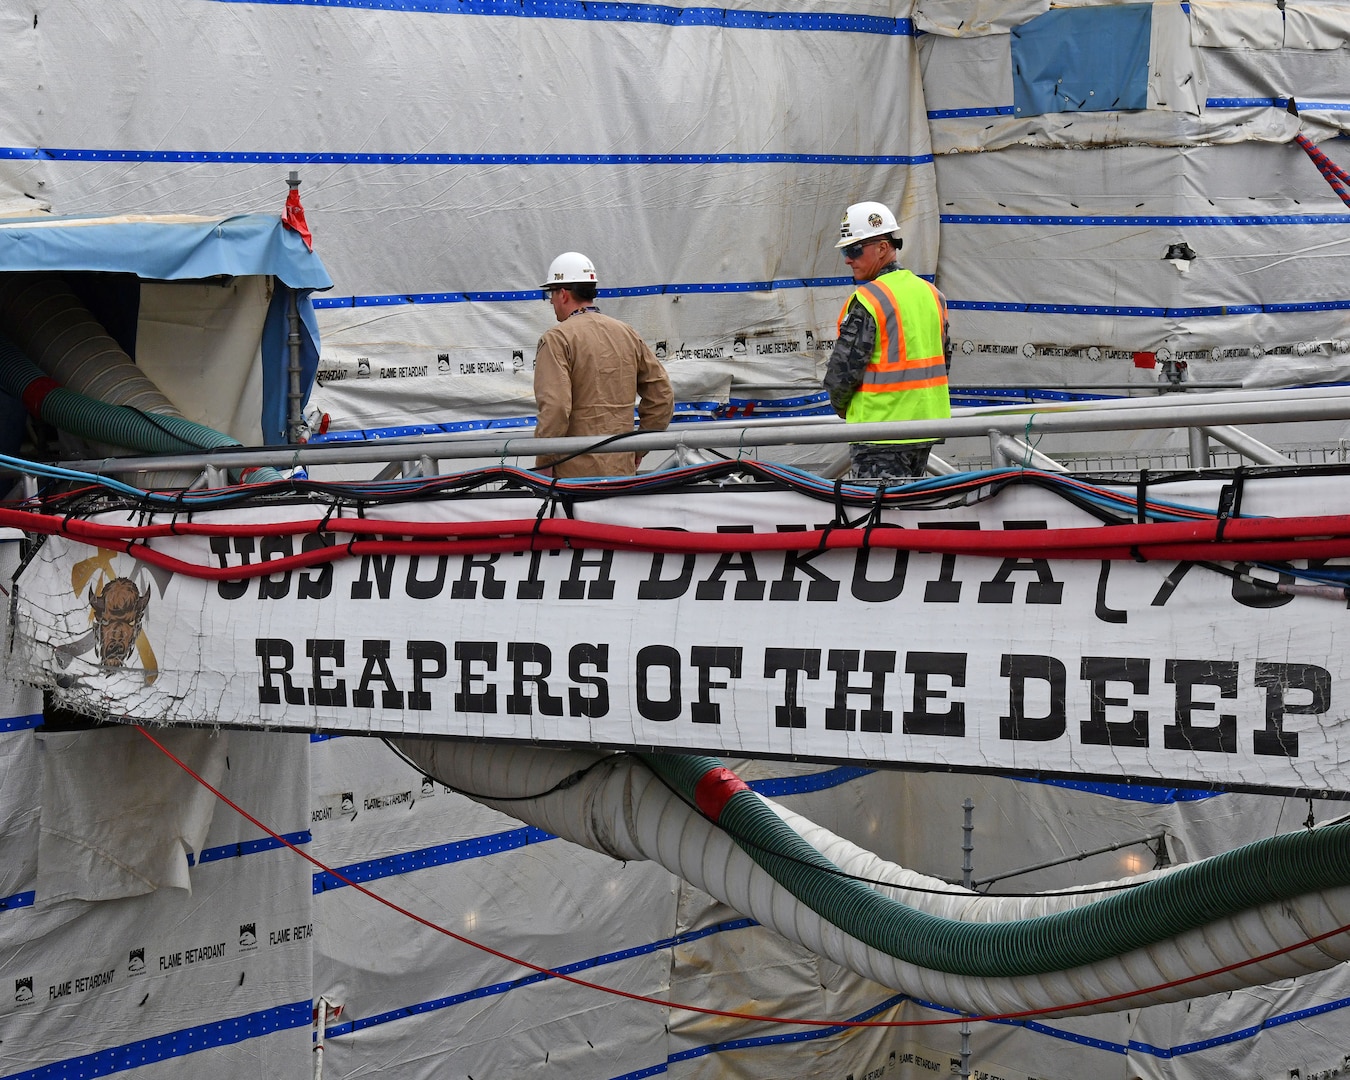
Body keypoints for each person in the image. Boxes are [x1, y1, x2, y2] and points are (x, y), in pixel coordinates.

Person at [822, 201, 952, 481]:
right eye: (846, 250)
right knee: (911, 510)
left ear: (882, 248)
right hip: (926, 427)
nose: (847, 258)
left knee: (879, 516)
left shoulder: (870, 300)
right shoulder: (932, 294)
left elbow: (843, 372)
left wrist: (841, 406)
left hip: (880, 432)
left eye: (854, 249)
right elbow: (944, 359)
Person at [533, 252, 674, 478]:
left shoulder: (557, 339)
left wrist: (544, 460)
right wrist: (640, 447)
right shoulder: (627, 333)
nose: (550, 301)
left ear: (563, 294)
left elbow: (556, 407)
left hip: (573, 478)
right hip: (622, 472)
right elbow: (662, 396)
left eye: (551, 293)